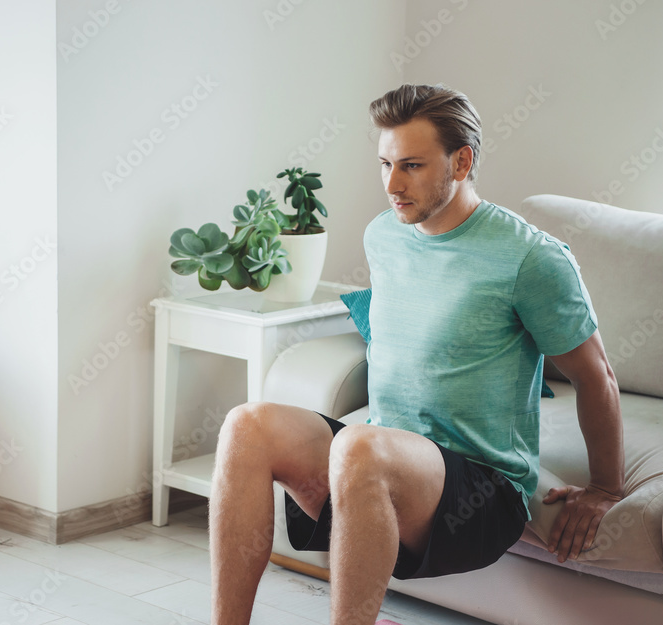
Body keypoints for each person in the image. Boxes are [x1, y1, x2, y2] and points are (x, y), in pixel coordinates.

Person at [208, 83, 625, 625]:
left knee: (359, 447)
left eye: (411, 166)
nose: (392, 184)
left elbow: (597, 377)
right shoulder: (384, 235)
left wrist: (605, 488)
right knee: (247, 425)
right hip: (375, 471)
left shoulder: (530, 258)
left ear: (462, 160)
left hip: (479, 491)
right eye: (384, 164)